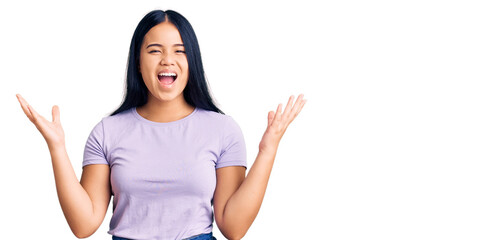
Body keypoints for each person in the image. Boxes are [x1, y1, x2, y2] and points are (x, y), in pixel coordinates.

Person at [16, 9, 306, 240]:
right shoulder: (107, 131)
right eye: (155, 50)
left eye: (179, 51)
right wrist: (56, 148)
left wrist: (268, 150)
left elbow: (233, 227)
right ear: (138, 62)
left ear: (191, 61)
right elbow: (83, 224)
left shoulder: (223, 130)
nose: (168, 60)